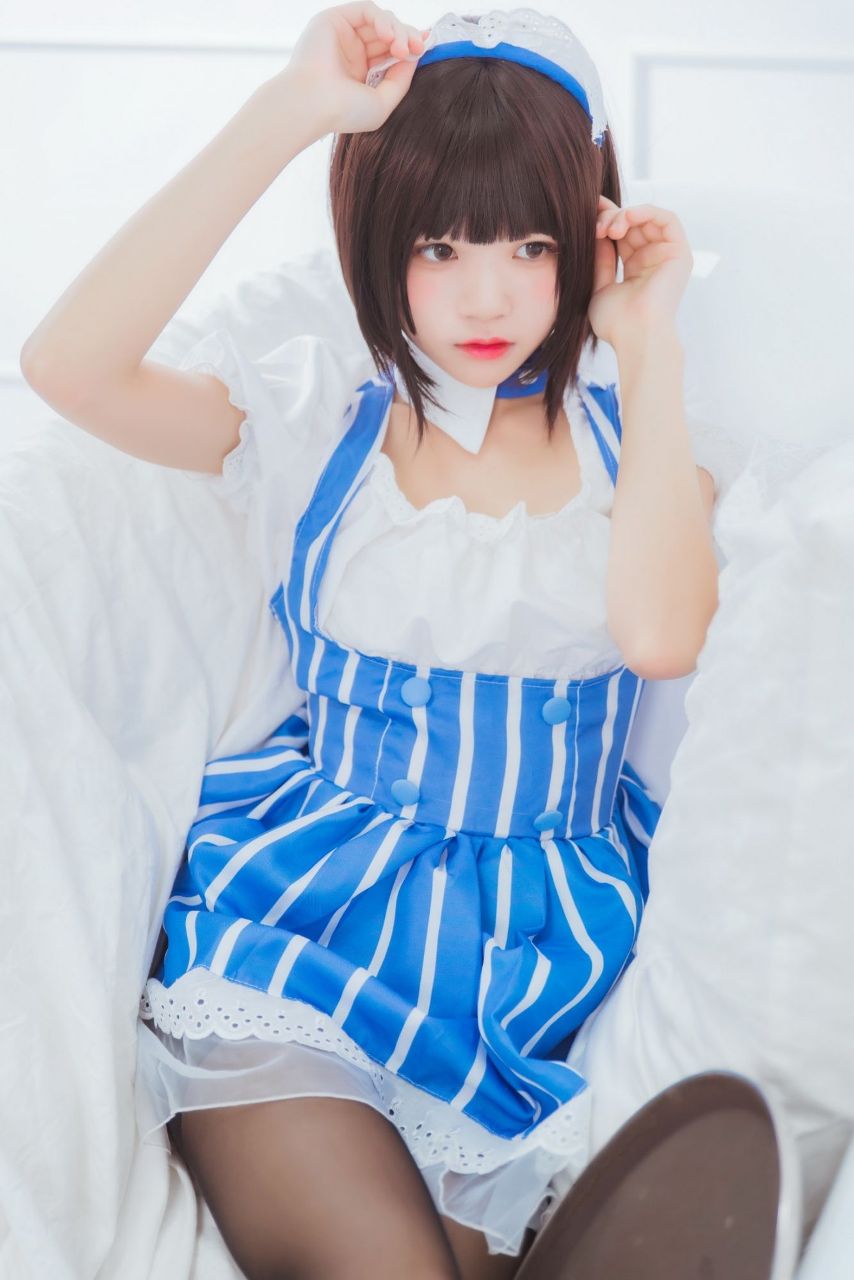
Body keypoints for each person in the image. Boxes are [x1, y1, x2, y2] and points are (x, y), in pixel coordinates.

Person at [20, 6, 724, 1277]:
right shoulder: (318, 426)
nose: (486, 295)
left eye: (528, 244)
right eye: (437, 246)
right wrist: (292, 111)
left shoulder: (637, 455)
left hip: (525, 975)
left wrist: (649, 346)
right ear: (377, 240)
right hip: (307, 926)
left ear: (586, 239)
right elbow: (67, 365)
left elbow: (660, 634)